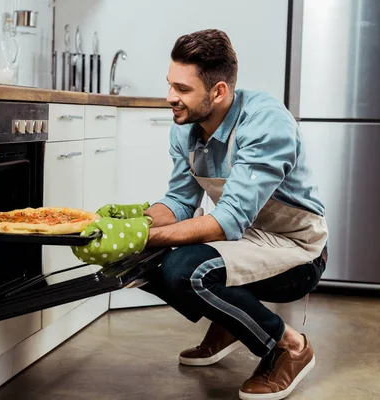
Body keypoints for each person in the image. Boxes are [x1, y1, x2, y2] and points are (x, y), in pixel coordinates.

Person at [140, 29, 329, 400]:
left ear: (219, 92)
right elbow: (179, 202)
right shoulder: (185, 129)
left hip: (297, 249)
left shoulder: (265, 122)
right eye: (170, 85)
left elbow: (227, 221)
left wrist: (149, 237)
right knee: (142, 261)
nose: (169, 98)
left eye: (182, 89)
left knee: (185, 272)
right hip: (244, 239)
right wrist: (135, 228)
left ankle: (291, 346)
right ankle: (233, 323)